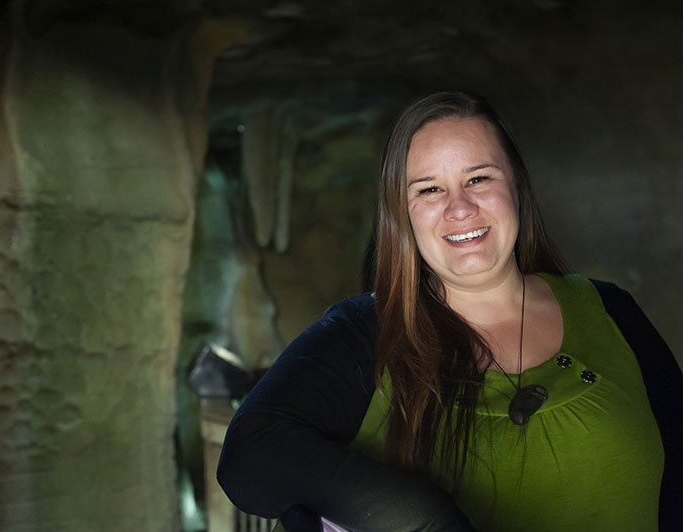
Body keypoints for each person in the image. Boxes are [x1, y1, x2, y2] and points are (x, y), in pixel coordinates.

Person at [217, 91, 682, 532]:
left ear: (516, 185)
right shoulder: (363, 335)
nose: (460, 207)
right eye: (430, 189)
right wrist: (421, 518)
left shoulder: (611, 310)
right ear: (402, 213)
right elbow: (250, 455)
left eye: (478, 179)